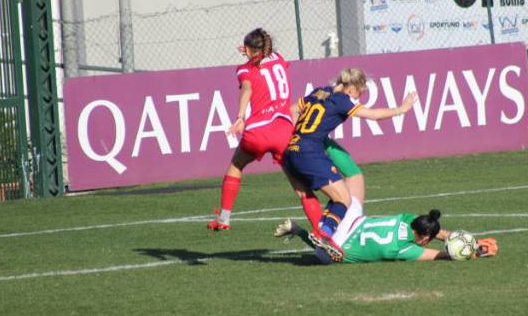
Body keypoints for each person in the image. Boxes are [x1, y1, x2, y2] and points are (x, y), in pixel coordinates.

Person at [282, 68, 417, 262]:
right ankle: (323, 234)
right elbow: (374, 116)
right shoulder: (343, 101)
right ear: (352, 88)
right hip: (310, 152)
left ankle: (323, 233)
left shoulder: (320, 91)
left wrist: (297, 136)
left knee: (331, 196)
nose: (360, 96)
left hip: (292, 150)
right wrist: (401, 109)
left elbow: (292, 111)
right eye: (360, 92)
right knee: (345, 199)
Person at [207, 28, 295, 230]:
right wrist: (251, 52)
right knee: (298, 186)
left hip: (258, 131)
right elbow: (266, 58)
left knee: (236, 164)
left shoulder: (244, 69)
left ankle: (224, 218)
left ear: (248, 49)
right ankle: (322, 228)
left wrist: (240, 117)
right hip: (282, 130)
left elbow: (247, 88)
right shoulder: (279, 58)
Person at [274, 200, 499, 264]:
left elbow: (432, 227)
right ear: (422, 237)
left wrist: (469, 241)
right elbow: (438, 254)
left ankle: (316, 218)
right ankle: (300, 231)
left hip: (351, 223)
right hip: (343, 247)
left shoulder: (407, 220)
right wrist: (471, 251)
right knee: (329, 257)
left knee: (346, 198)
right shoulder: (399, 249)